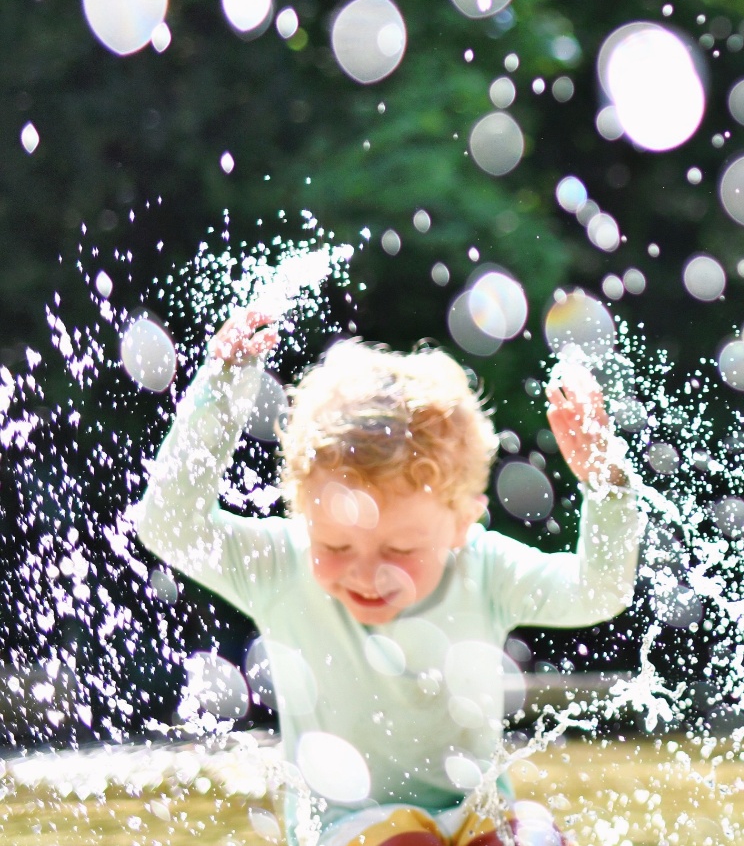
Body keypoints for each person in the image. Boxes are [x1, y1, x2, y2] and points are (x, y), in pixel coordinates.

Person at [133, 310, 641, 846]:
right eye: (335, 545)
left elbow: (597, 592)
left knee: (534, 835)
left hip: (477, 813)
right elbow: (168, 527)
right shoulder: (281, 564)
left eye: (400, 550)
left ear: (462, 523)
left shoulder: (483, 567)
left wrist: (607, 483)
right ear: (302, 514)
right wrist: (221, 390)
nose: (366, 573)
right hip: (346, 827)